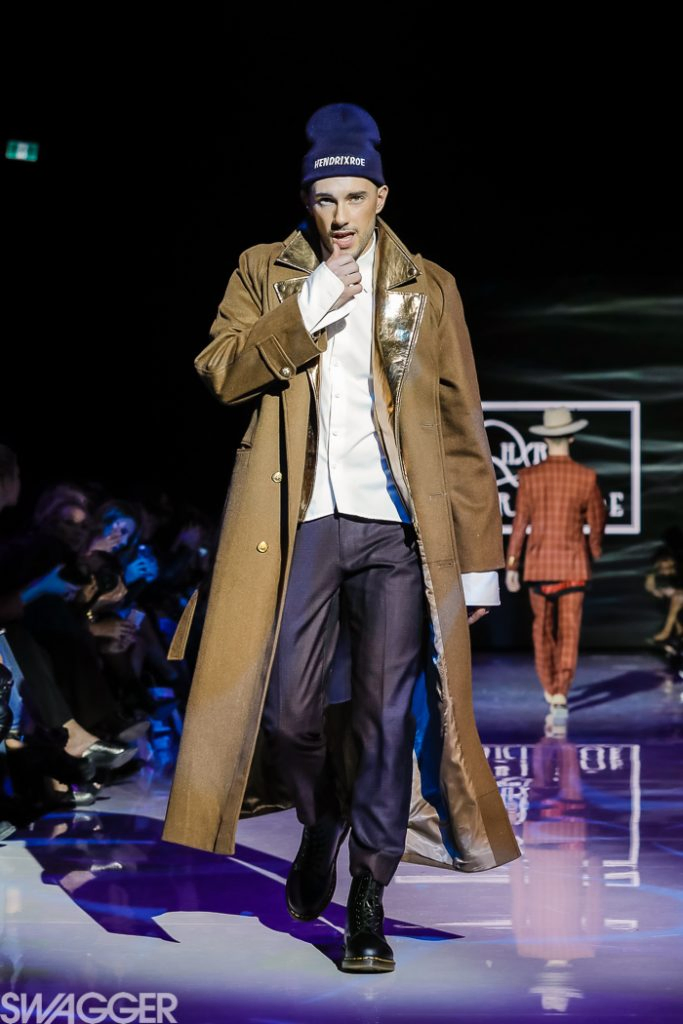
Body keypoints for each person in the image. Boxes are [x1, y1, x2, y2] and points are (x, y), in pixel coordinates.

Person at [161, 103, 520, 972]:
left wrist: (477, 567)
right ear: (306, 200)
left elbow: (461, 428)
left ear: (381, 196)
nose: (339, 215)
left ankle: (368, 897)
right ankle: (320, 818)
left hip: (398, 531)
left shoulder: (428, 287)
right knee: (288, 715)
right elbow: (220, 371)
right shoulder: (265, 271)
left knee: (385, 720)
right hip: (299, 525)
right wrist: (313, 300)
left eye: (355, 197)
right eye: (325, 199)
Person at [505, 408, 606, 729]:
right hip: (573, 563)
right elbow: (597, 521)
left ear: (546, 439)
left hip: (538, 564)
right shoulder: (586, 477)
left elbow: (519, 524)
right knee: (569, 630)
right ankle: (561, 690)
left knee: (542, 628)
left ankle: (550, 685)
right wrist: (594, 550)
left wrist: (512, 564)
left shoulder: (529, 477)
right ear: (572, 437)